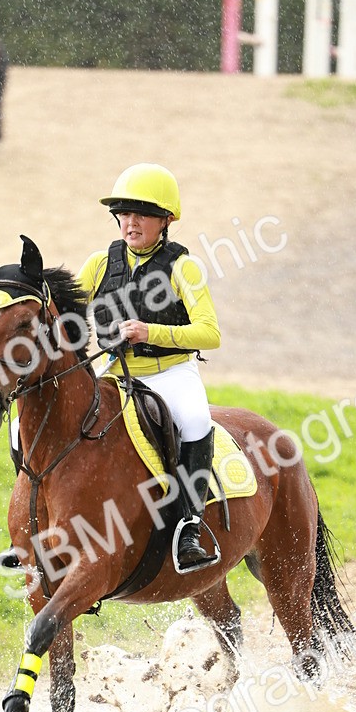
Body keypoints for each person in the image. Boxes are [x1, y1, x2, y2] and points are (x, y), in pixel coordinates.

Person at [78, 162, 221, 571]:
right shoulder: (99, 264)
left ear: (165, 220)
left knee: (195, 421)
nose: (131, 222)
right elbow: (68, 314)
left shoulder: (183, 268)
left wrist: (149, 331)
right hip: (116, 372)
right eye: (123, 212)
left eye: (141, 213)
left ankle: (189, 530)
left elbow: (210, 334)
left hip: (171, 373)